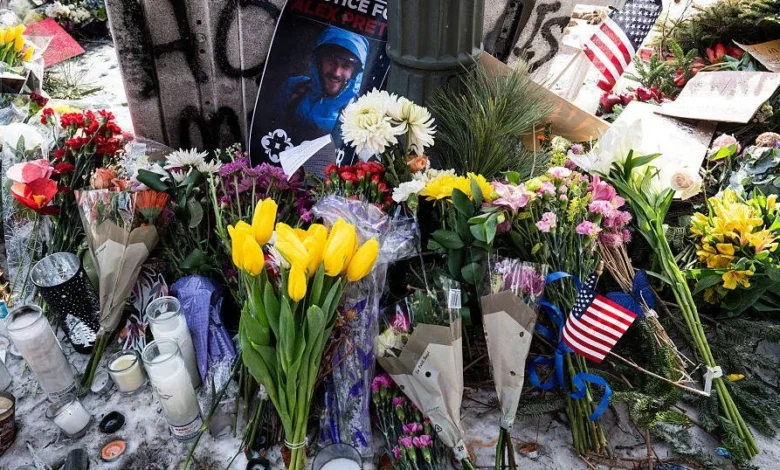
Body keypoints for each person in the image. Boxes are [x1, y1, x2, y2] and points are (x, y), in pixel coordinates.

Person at [276, 26, 369, 146]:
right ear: (318, 62)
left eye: (346, 66)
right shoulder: (294, 87)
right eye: (331, 62)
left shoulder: (359, 113)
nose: (336, 73)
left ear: (354, 74)